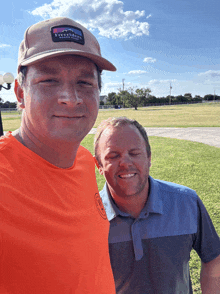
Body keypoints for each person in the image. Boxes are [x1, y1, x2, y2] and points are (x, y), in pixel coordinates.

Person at [0, 17, 117, 293]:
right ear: (20, 93)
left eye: (85, 83)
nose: (70, 97)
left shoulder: (86, 162)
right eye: (49, 80)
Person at [94, 117, 220, 294]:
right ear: (99, 165)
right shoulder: (85, 216)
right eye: (113, 156)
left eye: (135, 152)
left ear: (149, 157)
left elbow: (213, 258)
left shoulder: (186, 202)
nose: (125, 163)